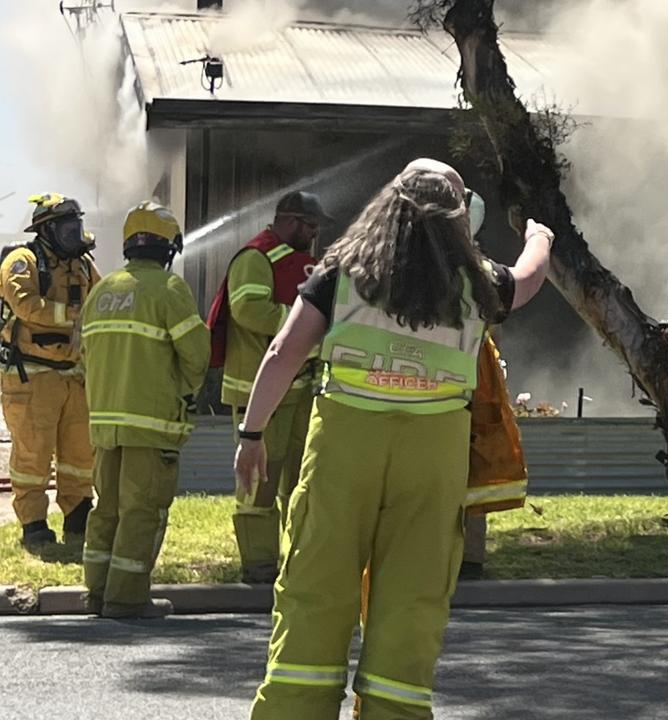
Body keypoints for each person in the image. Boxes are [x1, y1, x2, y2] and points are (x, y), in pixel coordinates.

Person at [236, 158, 552, 718]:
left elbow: (284, 351)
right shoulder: (475, 283)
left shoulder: (344, 272)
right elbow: (525, 281)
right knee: (412, 600)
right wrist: (540, 238)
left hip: (343, 444)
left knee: (315, 586)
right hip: (433, 456)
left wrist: (252, 433)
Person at [80, 201, 210, 618]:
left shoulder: (102, 290)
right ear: (168, 247)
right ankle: (127, 599)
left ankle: (97, 593)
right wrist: (183, 394)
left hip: (104, 425)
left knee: (107, 509)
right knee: (143, 511)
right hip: (151, 425)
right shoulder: (170, 290)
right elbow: (196, 357)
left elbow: (85, 356)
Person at [206, 191, 328, 584]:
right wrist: (302, 326)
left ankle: (297, 565)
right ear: (290, 221)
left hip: (303, 391)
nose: (314, 234)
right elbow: (248, 309)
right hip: (261, 393)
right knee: (259, 482)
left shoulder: (305, 263)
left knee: (300, 482)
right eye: (310, 226)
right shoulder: (254, 258)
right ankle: (259, 565)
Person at [0, 193, 100, 550]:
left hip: (74, 374)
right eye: (68, 227)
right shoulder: (22, 262)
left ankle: (78, 517)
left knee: (79, 454)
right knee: (32, 455)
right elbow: (26, 306)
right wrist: (75, 316)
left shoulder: (84, 265)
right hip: (31, 376)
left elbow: (100, 300)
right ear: (47, 230)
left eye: (78, 225)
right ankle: (35, 527)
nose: (77, 233)